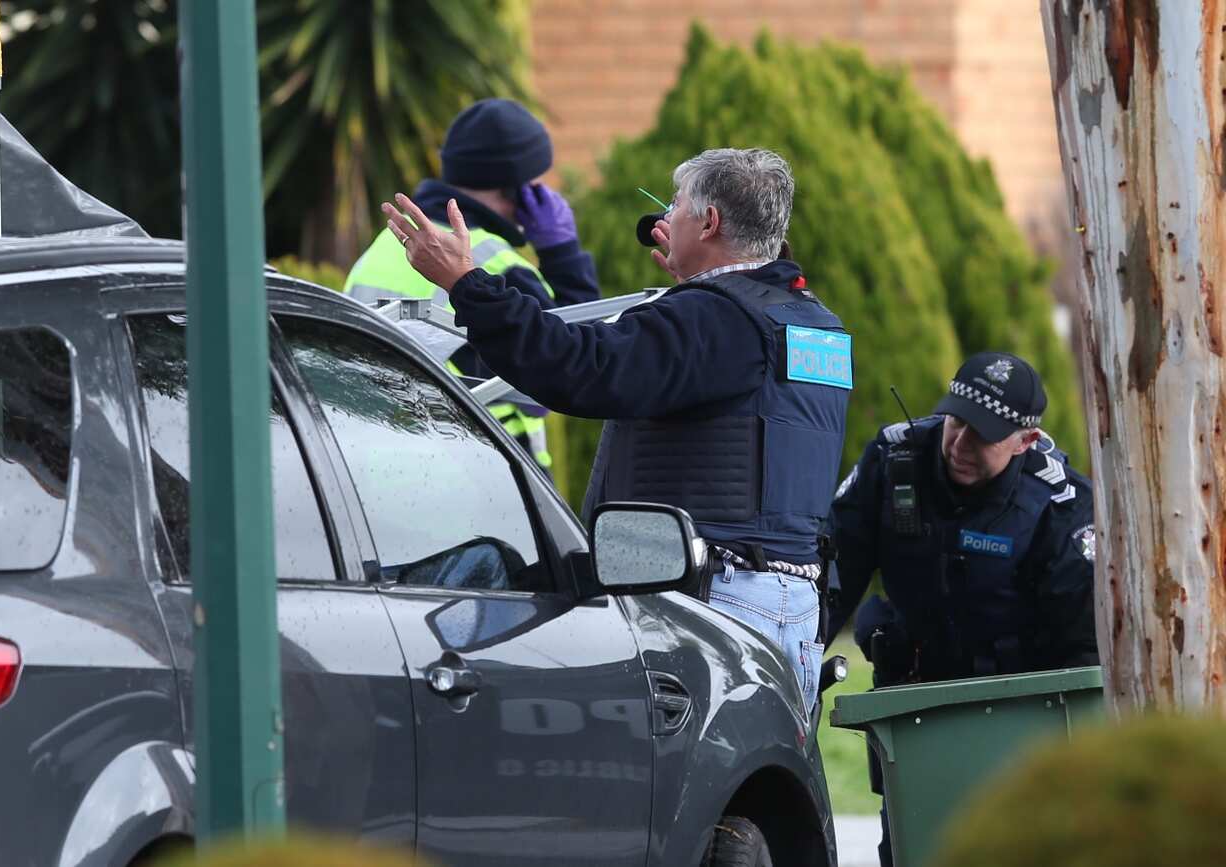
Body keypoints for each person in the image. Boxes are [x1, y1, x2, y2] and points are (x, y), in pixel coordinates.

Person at [380, 147, 852, 716]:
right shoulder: (810, 323)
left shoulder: (714, 319)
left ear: (709, 222)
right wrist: (701, 281)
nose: (666, 217)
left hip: (714, 603)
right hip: (789, 606)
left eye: (676, 205)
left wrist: (465, 283)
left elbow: (580, 367)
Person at [826, 351, 1097, 867]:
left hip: (1018, 715)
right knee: (913, 848)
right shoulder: (895, 461)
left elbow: (1081, 649)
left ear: (1026, 441)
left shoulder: (1060, 504)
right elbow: (833, 580)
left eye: (983, 436)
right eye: (957, 421)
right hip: (912, 707)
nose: (959, 445)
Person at [345, 98, 599, 474]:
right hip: (488, 472)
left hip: (380, 465)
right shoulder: (500, 265)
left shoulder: (381, 249)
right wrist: (563, 255)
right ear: (519, 190)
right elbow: (576, 369)